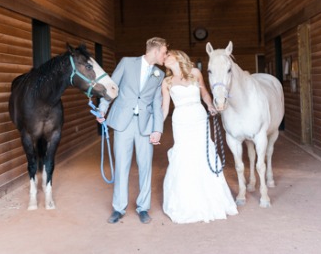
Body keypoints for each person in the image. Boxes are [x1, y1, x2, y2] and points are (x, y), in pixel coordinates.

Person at [161, 50, 238, 224]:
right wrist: (156, 128)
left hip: (198, 116)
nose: (164, 58)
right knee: (184, 155)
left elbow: (204, 93)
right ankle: (186, 201)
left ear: (178, 57)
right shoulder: (166, 82)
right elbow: (165, 108)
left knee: (203, 154)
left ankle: (211, 199)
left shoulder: (195, 73)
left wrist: (210, 105)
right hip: (180, 120)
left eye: (168, 55)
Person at [98, 37, 168, 224]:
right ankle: (118, 208)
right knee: (122, 165)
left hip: (145, 126)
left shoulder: (159, 75)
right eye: (164, 52)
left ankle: (143, 208)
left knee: (145, 166)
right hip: (123, 123)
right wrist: (102, 109)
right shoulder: (127, 63)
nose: (165, 55)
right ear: (155, 51)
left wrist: (157, 130)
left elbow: (156, 103)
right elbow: (112, 87)